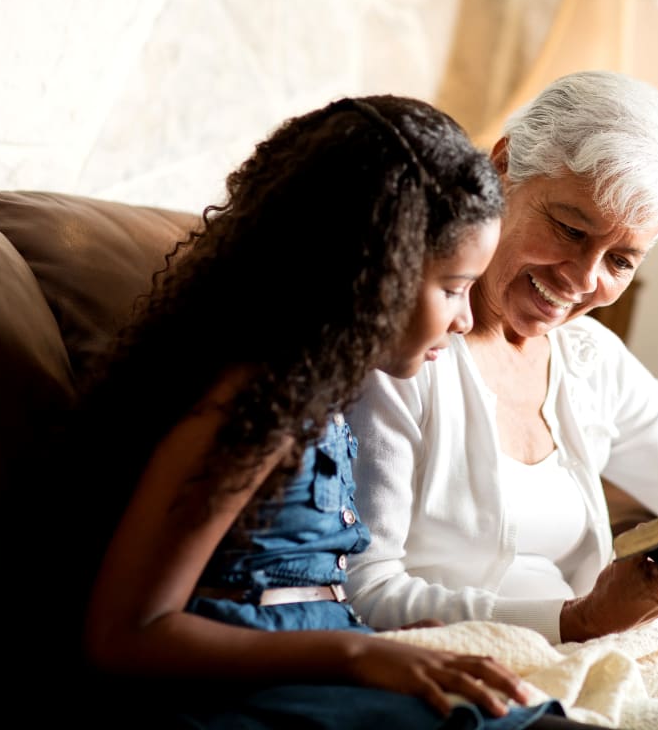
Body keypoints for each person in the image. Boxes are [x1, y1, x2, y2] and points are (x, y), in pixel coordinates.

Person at [60, 95, 600, 729]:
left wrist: (384, 641)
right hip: (241, 700)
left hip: (319, 669)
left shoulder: (319, 396)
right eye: (452, 288)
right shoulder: (248, 404)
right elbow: (128, 633)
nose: (466, 318)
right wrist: (352, 654)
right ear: (370, 273)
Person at [345, 71, 658, 646]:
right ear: (503, 167)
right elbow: (360, 593)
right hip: (448, 665)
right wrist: (578, 622)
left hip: (584, 654)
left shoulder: (591, 360)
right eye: (570, 228)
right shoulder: (404, 349)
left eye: (622, 261)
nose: (585, 280)